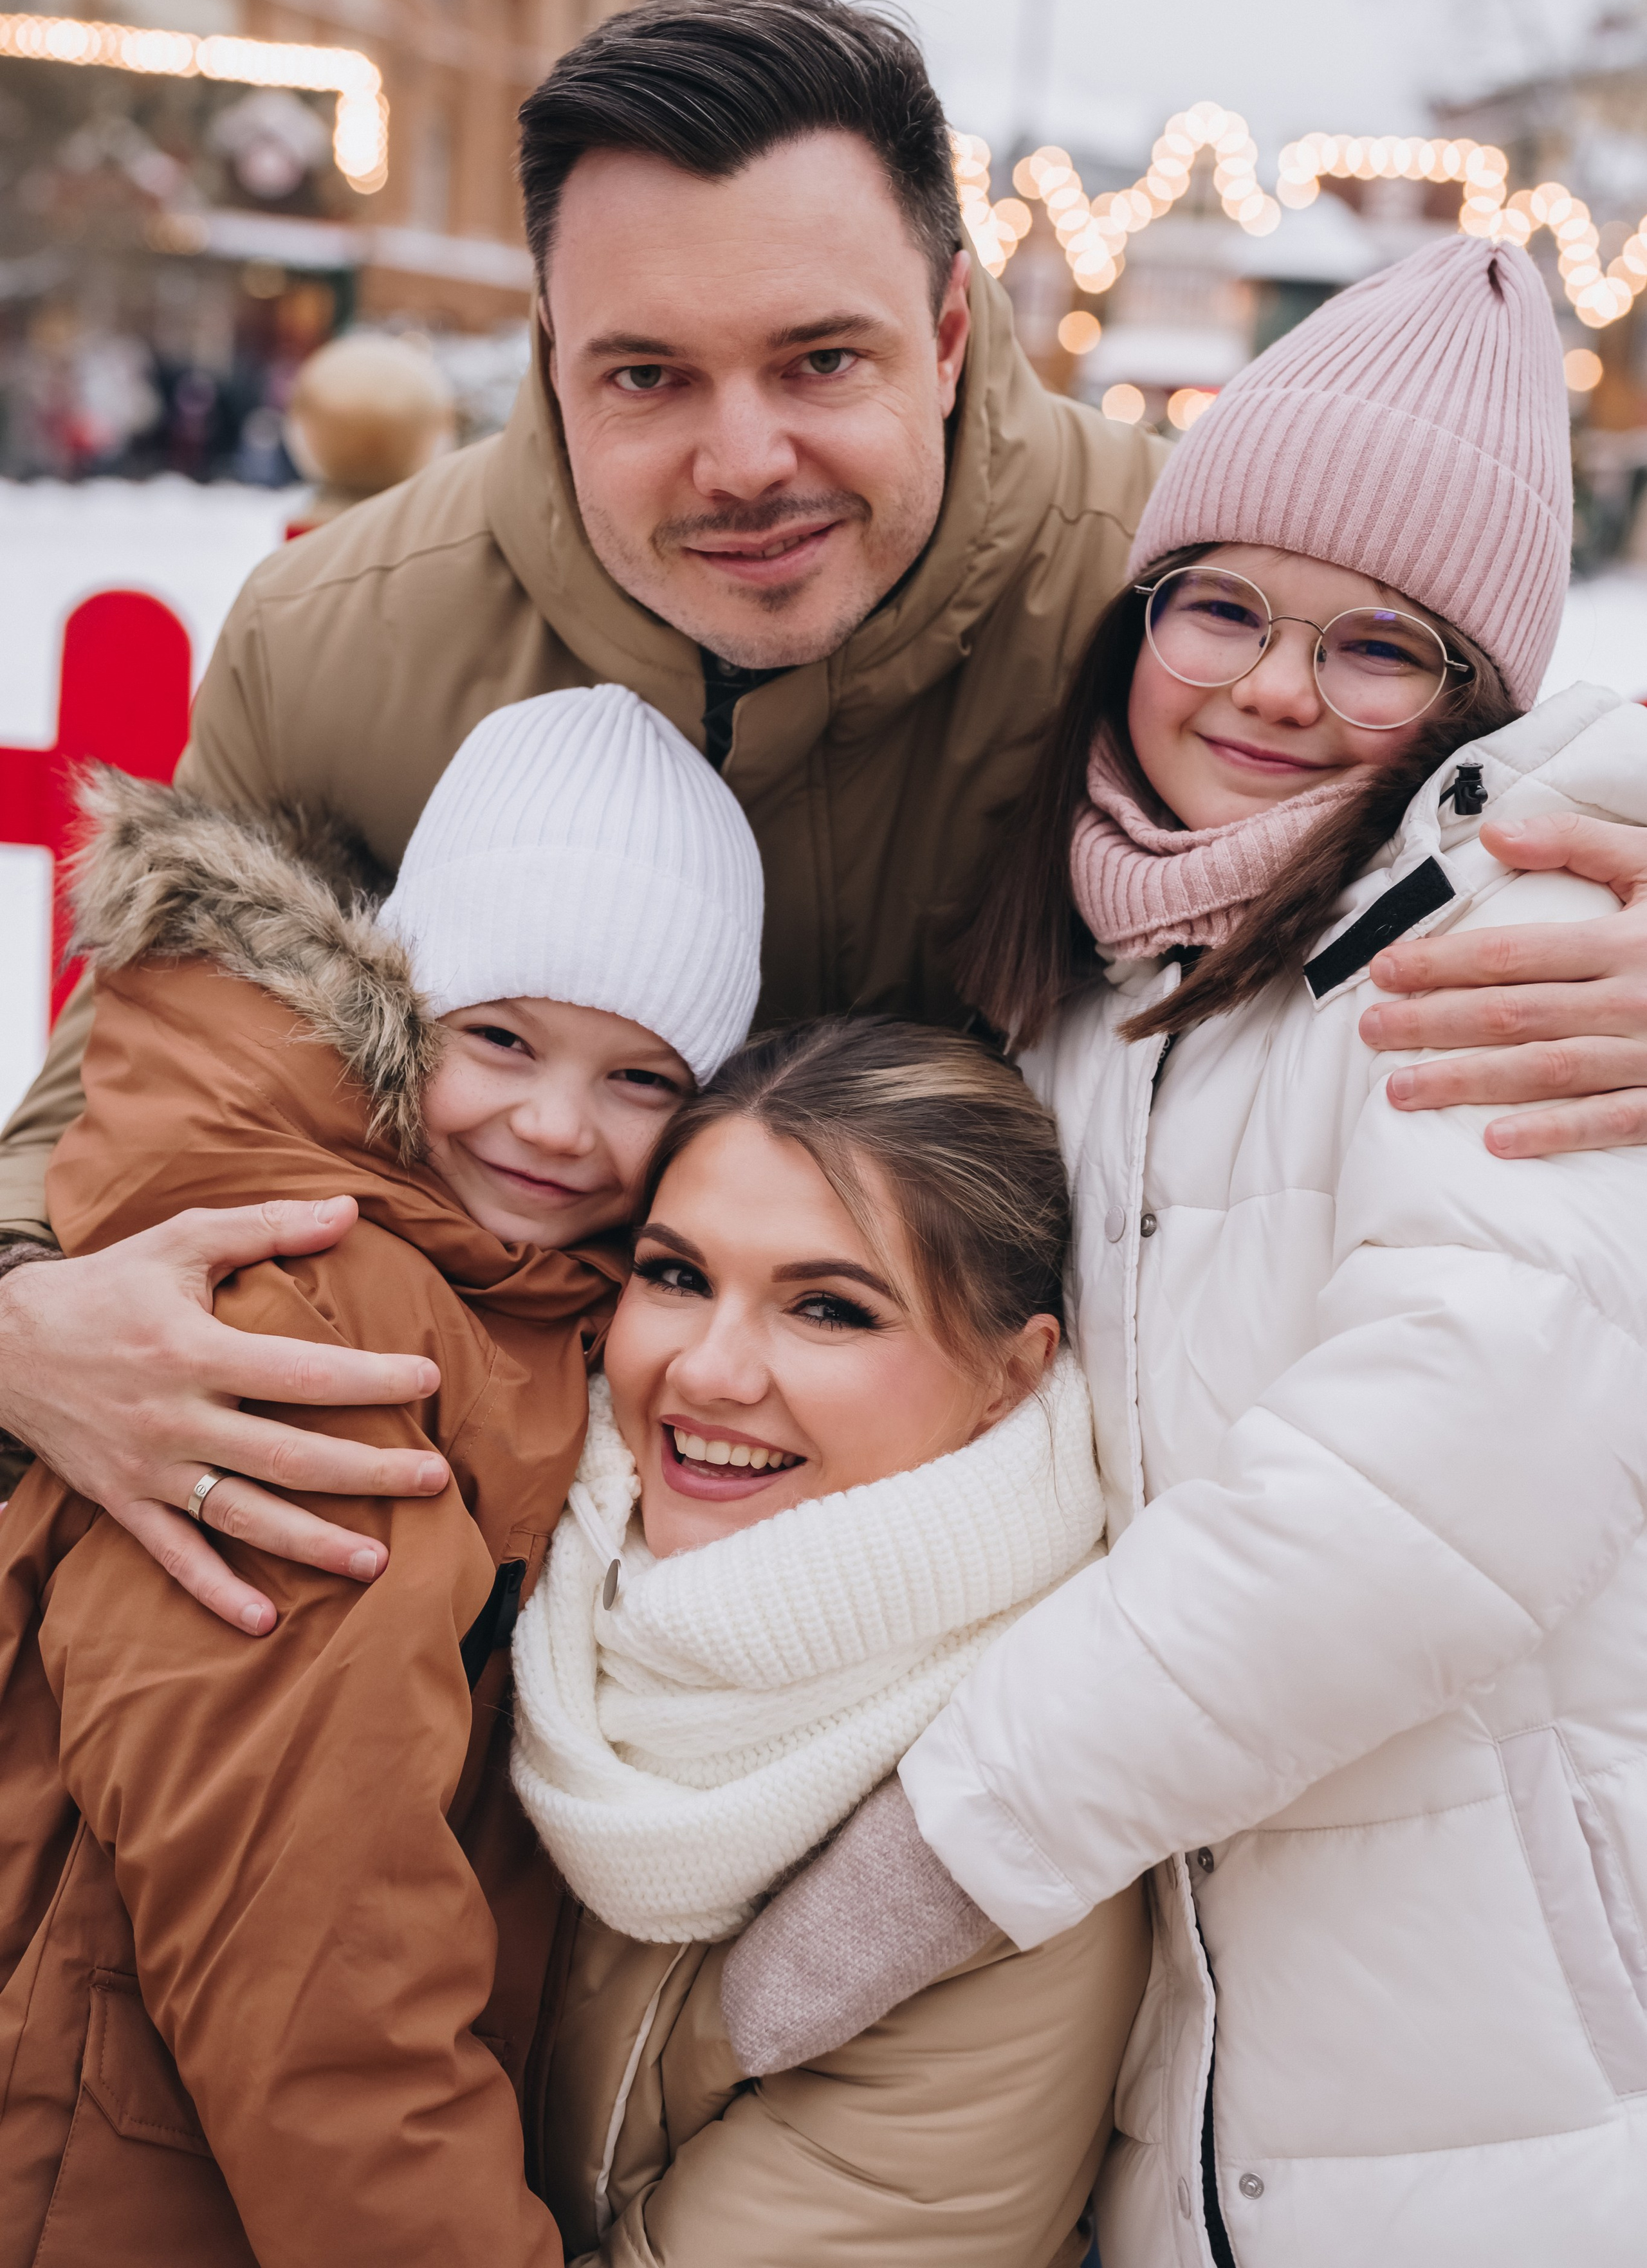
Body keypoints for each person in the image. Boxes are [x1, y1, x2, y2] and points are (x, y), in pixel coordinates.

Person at [5, 0, 1647, 1634]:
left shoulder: (1166, 607)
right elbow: (118, 1095)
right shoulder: (344, 638)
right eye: (646, 376)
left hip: (1010, 1578)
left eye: (819, 360)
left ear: (944, 331)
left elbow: (1486, 753)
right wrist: (20, 1323)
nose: (742, 461)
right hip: (477, 1547)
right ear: (550, 359)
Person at [724, 238, 1647, 2265]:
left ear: (1476, 700)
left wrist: (942, 1856)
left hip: (1490, 2110)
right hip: (1209, 2087)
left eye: (1379, 647)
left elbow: (1416, 1493)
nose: (1274, 688)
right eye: (1221, 605)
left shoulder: (1513, 959)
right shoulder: (1091, 976)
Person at [0, 687, 762, 2263]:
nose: (557, 1126)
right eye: (501, 1038)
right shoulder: (328, 1316)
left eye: (643, 1080)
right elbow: (306, 1927)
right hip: (121, 2168)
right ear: (398, 1009)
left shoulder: (495, 1281)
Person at [511, 1016, 1148, 2267]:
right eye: (676, 1274)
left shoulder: (1002, 1850)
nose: (707, 1368)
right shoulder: (520, 1567)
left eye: (827, 1308)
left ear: (1009, 1376)